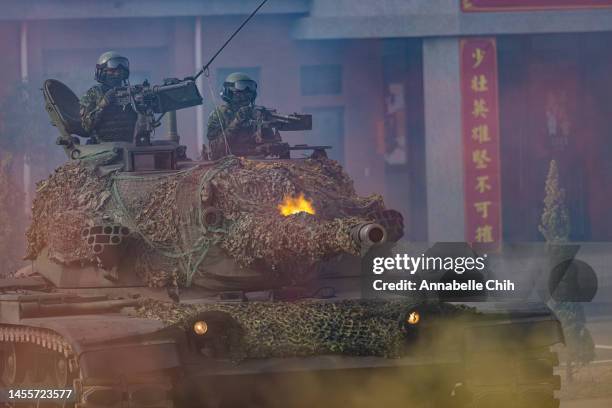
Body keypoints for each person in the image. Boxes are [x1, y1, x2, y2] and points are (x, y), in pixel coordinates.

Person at [206, 72, 281, 159]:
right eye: (240, 93)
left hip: (256, 162)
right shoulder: (219, 114)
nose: (245, 96)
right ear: (229, 93)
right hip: (227, 163)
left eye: (248, 93)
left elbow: (270, 141)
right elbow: (215, 149)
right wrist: (236, 122)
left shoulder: (256, 113)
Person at [79, 51, 137, 143]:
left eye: (119, 71)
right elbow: (86, 127)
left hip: (128, 146)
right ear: (102, 72)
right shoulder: (93, 93)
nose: (117, 74)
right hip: (103, 149)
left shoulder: (131, 92)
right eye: (112, 71)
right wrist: (103, 104)